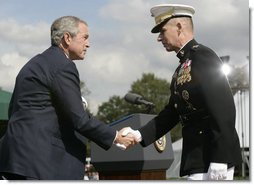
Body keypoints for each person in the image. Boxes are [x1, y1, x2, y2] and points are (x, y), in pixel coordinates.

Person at [0, 16, 136, 180]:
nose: (88, 44)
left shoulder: (35, 63)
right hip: (42, 164)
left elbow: (14, 109)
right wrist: (115, 137)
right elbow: (79, 118)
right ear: (67, 38)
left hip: (19, 161)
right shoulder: (63, 66)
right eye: (84, 37)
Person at [124, 4, 242, 180]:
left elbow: (223, 109)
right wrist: (139, 134)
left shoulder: (203, 57)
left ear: (179, 27)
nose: (159, 38)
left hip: (211, 156)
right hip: (198, 156)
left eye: (163, 31)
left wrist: (220, 157)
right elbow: (172, 112)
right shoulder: (183, 66)